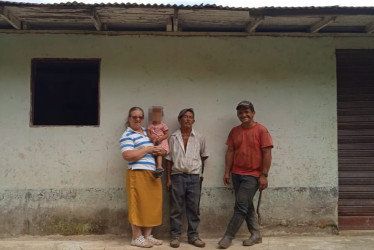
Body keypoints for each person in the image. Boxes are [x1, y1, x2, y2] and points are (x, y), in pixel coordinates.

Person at [218, 101, 273, 249]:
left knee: (240, 206)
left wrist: (264, 175)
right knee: (246, 205)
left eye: (247, 112)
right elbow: (230, 151)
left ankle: (228, 236)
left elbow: (267, 153)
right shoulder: (234, 131)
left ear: (253, 113)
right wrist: (226, 172)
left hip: (253, 175)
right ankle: (256, 235)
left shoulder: (262, 131)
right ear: (238, 115)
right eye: (241, 113)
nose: (244, 115)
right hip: (236, 174)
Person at [120, 106, 166, 248]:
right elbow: (127, 155)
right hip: (137, 172)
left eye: (140, 117)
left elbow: (161, 148)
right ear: (129, 119)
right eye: (134, 117)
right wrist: (148, 149)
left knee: (152, 204)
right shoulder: (127, 135)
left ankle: (147, 236)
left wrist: (160, 150)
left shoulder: (148, 132)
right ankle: (136, 237)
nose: (138, 119)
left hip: (153, 173)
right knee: (137, 204)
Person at [165, 108, 209, 248]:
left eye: (190, 117)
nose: (188, 119)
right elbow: (169, 159)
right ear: (179, 120)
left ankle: (193, 236)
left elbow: (203, 156)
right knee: (175, 208)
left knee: (193, 208)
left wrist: (199, 174)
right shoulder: (173, 137)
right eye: (185, 117)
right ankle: (175, 236)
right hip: (177, 176)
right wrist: (168, 179)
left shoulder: (200, 137)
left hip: (194, 177)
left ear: (194, 120)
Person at [147, 106, 170, 178]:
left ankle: (159, 167)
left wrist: (161, 138)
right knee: (153, 153)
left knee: (159, 153)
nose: (156, 116)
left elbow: (166, 134)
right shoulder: (150, 125)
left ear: (161, 116)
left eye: (158, 115)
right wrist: (151, 137)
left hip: (161, 142)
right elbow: (148, 132)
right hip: (153, 141)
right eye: (154, 115)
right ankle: (154, 168)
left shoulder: (163, 125)